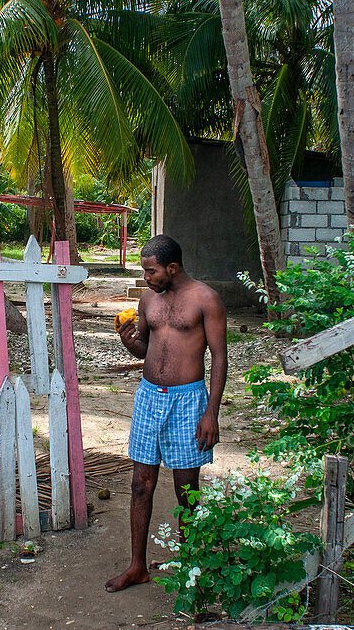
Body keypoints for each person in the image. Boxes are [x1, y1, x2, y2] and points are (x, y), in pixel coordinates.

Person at [105, 234, 228, 593]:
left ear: (172, 268)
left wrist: (211, 413)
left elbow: (219, 358)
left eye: (151, 271)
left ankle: (191, 564)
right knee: (140, 484)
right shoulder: (148, 300)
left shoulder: (206, 299)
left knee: (185, 488)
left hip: (188, 401)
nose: (146, 277)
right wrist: (130, 343)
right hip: (148, 398)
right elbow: (146, 349)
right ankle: (137, 566)